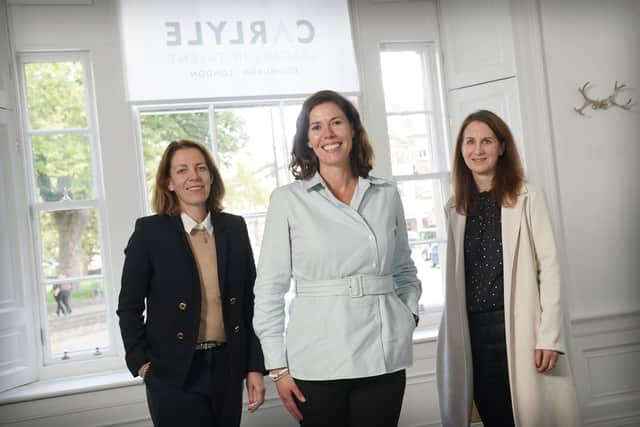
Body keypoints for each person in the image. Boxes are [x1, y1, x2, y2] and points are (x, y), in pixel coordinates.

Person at [253, 90, 421, 427]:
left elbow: (404, 268)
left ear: (353, 131)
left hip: (382, 351)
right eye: (316, 127)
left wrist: (409, 315)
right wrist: (277, 367)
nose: (327, 134)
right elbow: (270, 289)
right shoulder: (288, 200)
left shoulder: (385, 194)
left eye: (336, 123)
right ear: (307, 141)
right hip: (316, 358)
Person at [436, 110, 580, 426]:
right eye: (469, 142)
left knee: (529, 416)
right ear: (460, 150)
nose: (477, 150)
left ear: (502, 147)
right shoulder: (454, 207)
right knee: (494, 416)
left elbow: (550, 268)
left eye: (486, 141)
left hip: (520, 327)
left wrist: (549, 337)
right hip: (472, 332)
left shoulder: (529, 197)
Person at [117, 139, 266, 427]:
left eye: (200, 168)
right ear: (169, 182)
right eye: (182, 170)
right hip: (172, 373)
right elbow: (129, 306)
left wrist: (254, 368)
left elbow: (250, 303)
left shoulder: (234, 228)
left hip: (228, 367)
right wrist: (142, 365)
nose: (194, 176)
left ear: (211, 176)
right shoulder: (149, 233)